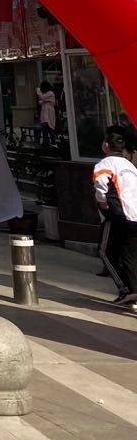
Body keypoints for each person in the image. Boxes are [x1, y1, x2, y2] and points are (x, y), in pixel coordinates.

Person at [93, 126, 137, 307]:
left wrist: (103, 204)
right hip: (134, 216)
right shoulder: (130, 166)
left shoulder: (105, 164)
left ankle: (126, 290)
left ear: (106, 145)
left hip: (118, 214)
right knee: (129, 254)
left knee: (105, 251)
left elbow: (100, 185)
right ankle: (133, 290)